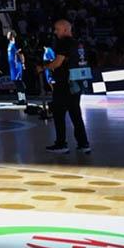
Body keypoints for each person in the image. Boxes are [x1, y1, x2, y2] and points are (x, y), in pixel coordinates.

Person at [39, 19, 91, 154]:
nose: (55, 32)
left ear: (65, 29)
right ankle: (83, 143)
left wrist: (44, 67)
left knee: (59, 113)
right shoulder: (78, 44)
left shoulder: (64, 42)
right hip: (76, 83)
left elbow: (58, 63)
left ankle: (61, 144)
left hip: (64, 83)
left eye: (57, 29)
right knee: (76, 114)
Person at [7, 30, 26, 105]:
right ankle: (20, 99)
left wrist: (23, 63)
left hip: (17, 65)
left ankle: (23, 99)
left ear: (12, 35)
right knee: (16, 83)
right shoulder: (9, 44)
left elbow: (21, 54)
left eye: (8, 34)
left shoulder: (15, 44)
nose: (7, 35)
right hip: (12, 67)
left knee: (19, 82)